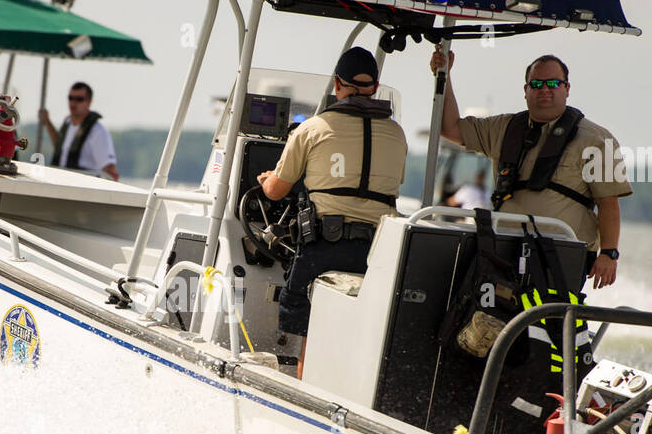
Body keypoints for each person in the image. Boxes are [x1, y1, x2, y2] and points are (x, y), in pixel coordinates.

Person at [257, 46, 407, 378]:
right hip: (378, 256)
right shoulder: (397, 134)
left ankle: (304, 393)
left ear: (337, 84)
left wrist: (267, 179)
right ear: (375, 86)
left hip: (325, 250)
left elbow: (276, 191)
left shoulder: (312, 128)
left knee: (312, 329)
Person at [428, 48, 630, 289]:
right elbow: (450, 129)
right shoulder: (503, 128)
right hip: (504, 248)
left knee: (548, 321)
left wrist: (609, 254)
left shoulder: (598, 140)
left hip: (563, 252)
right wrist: (444, 75)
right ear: (526, 91)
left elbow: (609, 203)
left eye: (554, 83)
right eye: (536, 84)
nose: (545, 89)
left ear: (567, 89)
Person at [39, 82, 119, 181]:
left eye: (79, 99)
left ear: (89, 102)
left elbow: (110, 169)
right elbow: (61, 149)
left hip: (82, 187)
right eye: (70, 98)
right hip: (61, 183)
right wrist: (47, 122)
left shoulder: (97, 131)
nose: (73, 103)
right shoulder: (68, 124)